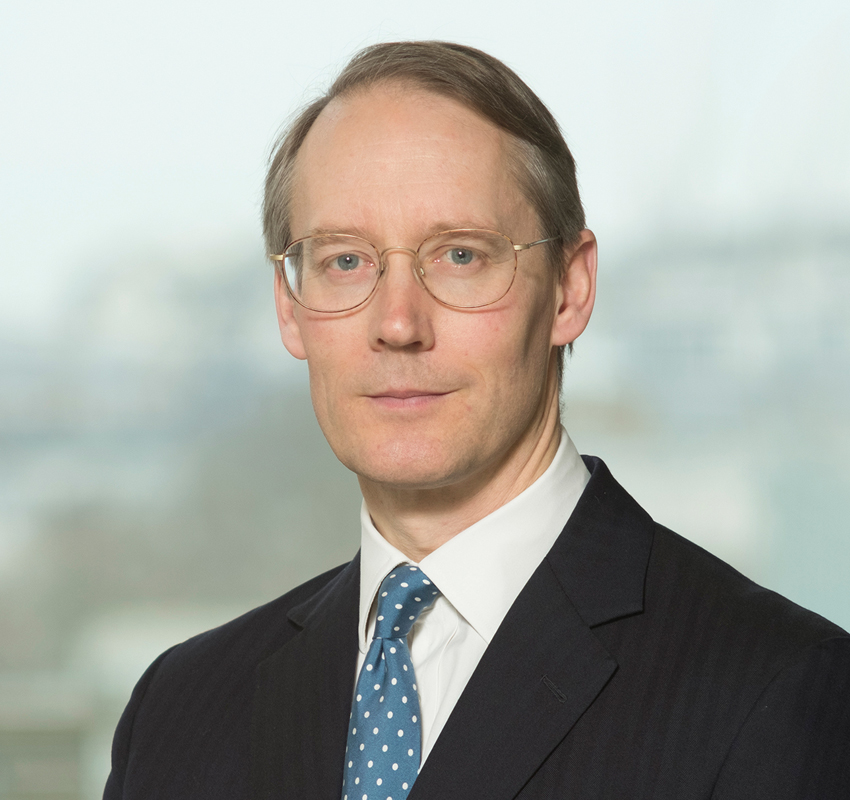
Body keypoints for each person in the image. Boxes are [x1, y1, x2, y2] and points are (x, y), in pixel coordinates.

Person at [103, 41, 850, 799]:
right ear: (290, 310)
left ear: (569, 289)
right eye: (345, 261)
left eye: (460, 255)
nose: (397, 323)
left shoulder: (780, 692)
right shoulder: (179, 710)